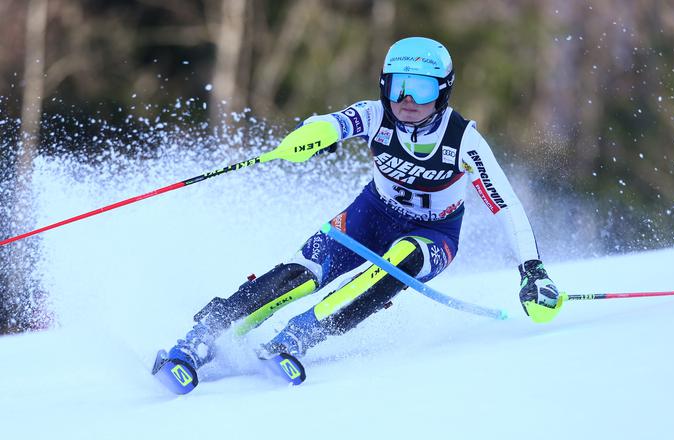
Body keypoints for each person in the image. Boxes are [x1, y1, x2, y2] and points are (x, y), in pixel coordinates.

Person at [159, 36, 562, 377]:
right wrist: (310, 138)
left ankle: (300, 335)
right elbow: (332, 123)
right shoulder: (374, 115)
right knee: (303, 273)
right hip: (371, 214)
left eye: (421, 89)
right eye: (397, 86)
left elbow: (506, 205)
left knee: (398, 261)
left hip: (434, 234)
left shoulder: (464, 141)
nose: (406, 99)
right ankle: (204, 337)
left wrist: (533, 270)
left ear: (443, 91)